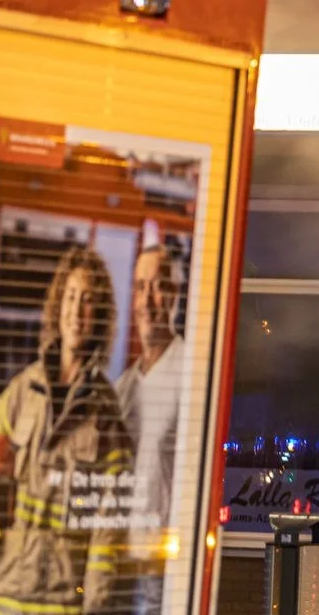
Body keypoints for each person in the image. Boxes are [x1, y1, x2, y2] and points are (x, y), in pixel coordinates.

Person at [0, 245, 133, 615]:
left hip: (64, 600)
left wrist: (94, 603)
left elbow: (108, 527)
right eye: (71, 297)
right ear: (58, 306)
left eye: (88, 300)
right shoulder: (25, 389)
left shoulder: (105, 410)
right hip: (9, 590)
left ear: (99, 316)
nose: (77, 311)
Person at [114, 237, 188, 612]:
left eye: (159, 285)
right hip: (116, 563)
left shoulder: (190, 372)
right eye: (141, 287)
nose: (148, 300)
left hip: (162, 570)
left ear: (175, 294)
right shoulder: (123, 388)